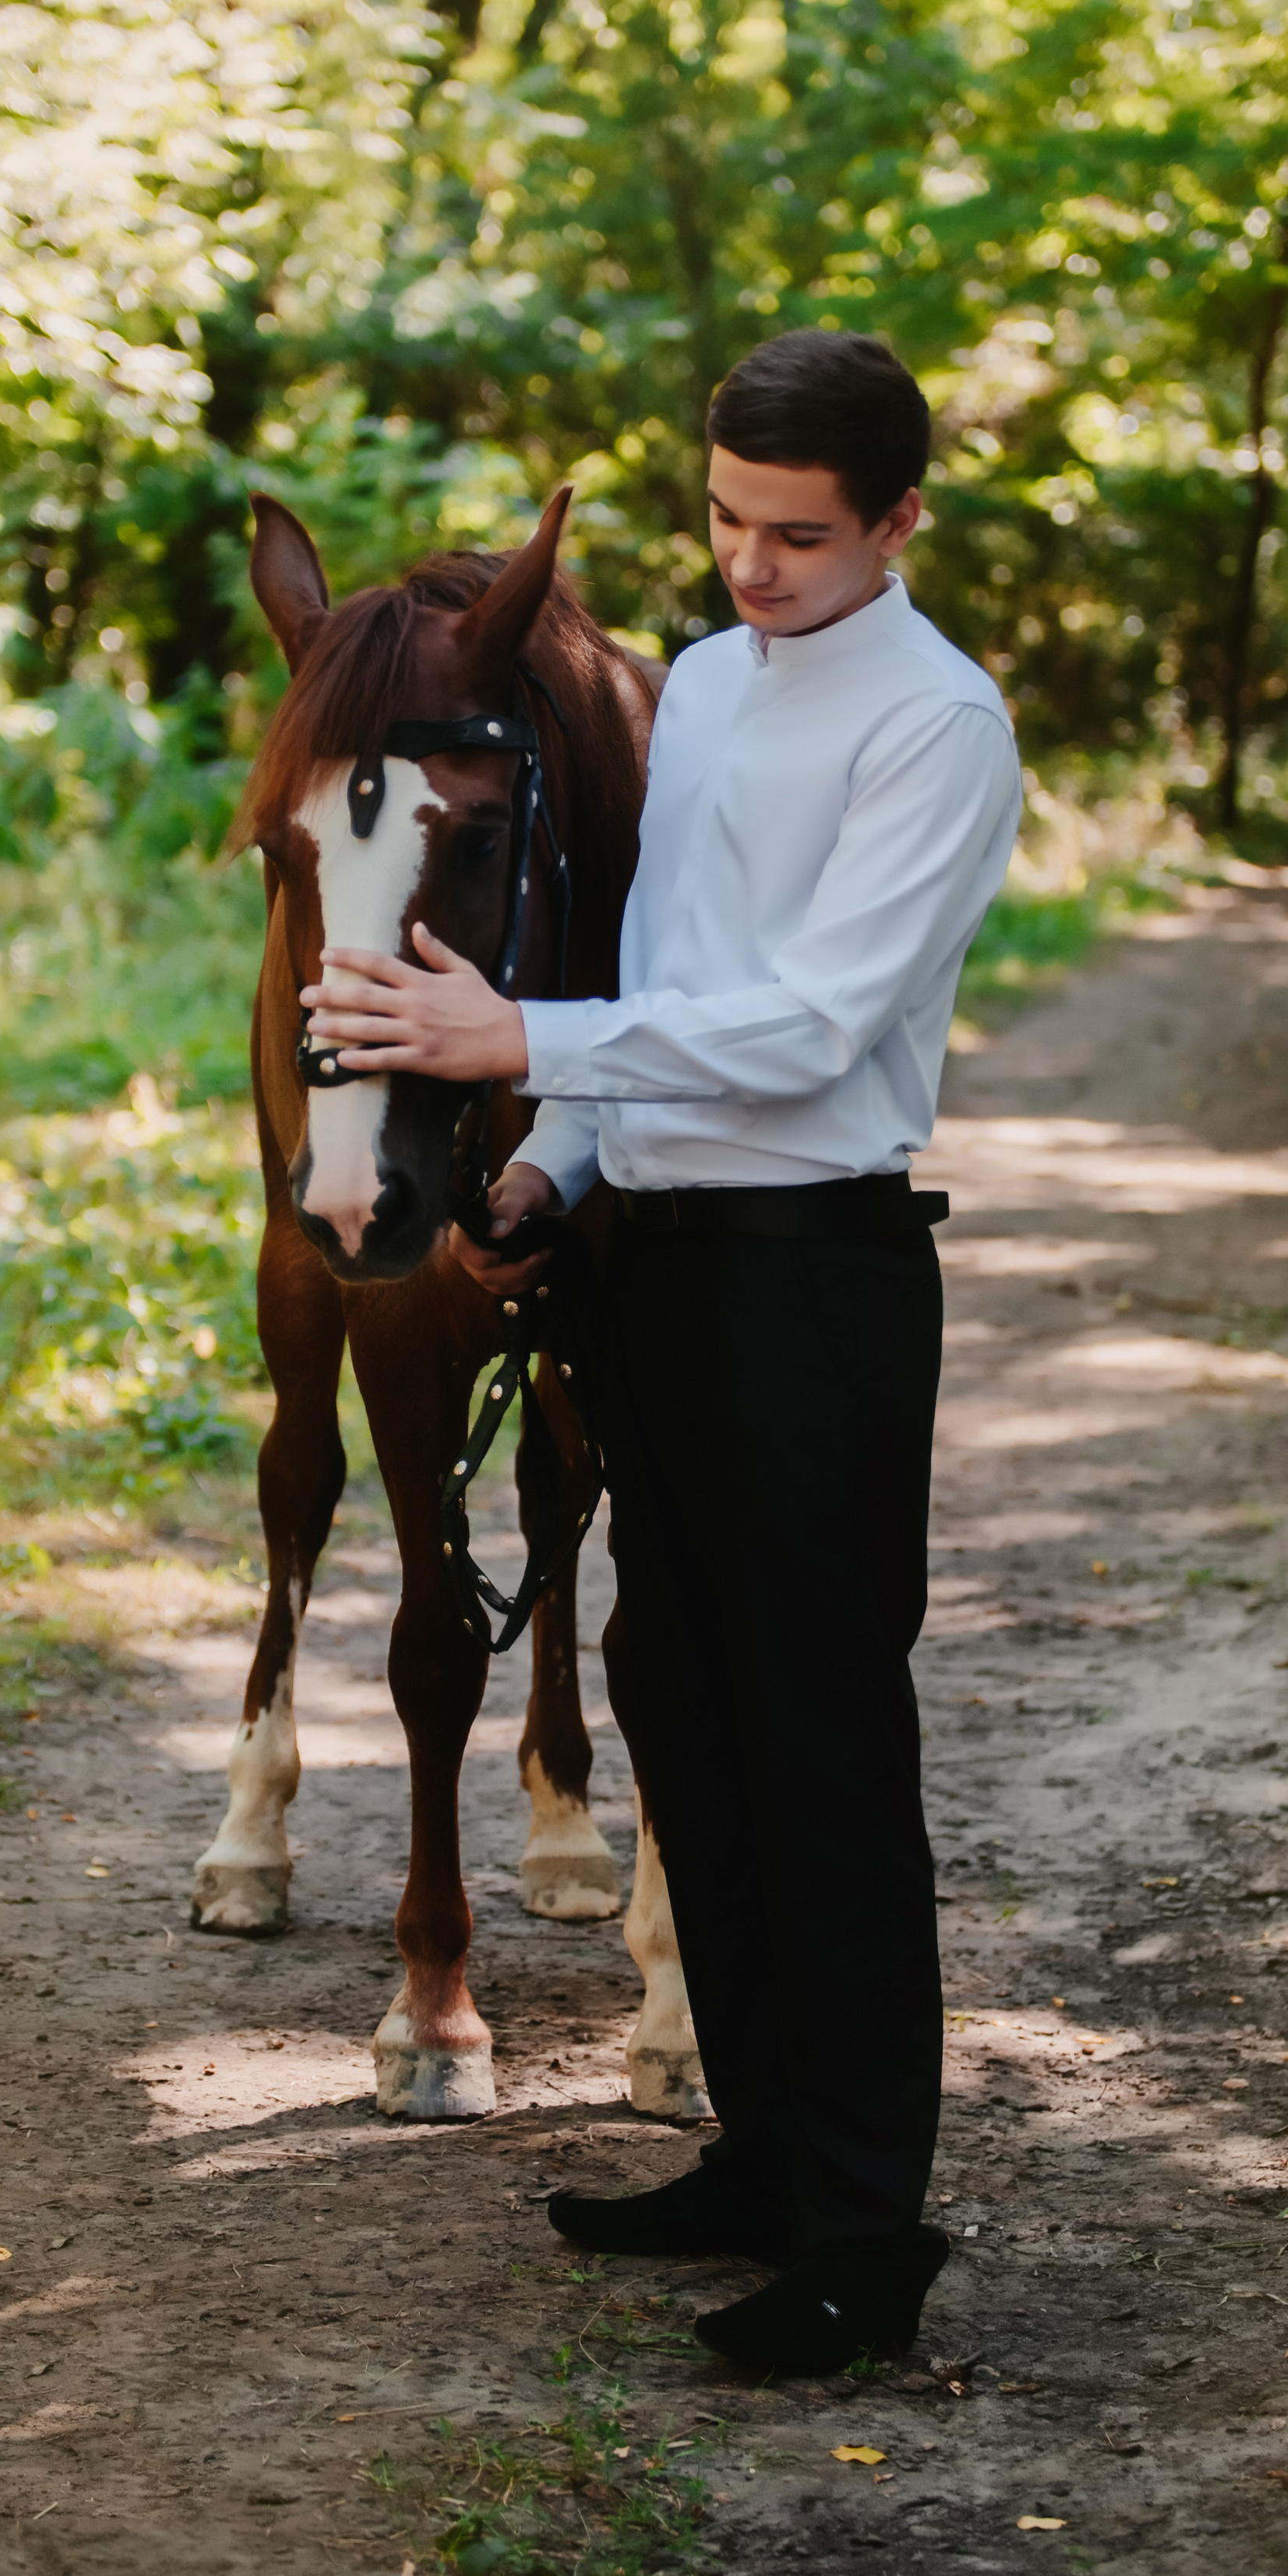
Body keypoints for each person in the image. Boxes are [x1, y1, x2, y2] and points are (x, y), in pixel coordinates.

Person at [298, 328, 1022, 2374]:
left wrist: (514, 1049)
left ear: (897, 522)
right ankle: (761, 2164)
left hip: (818, 1277)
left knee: (823, 1750)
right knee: (676, 1699)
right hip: (663, 1258)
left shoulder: (939, 728)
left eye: (799, 536)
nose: (751, 568)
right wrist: (554, 1175)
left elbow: (805, 1026)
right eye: (723, 522)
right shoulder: (704, 687)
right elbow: (668, 980)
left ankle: (867, 2239)